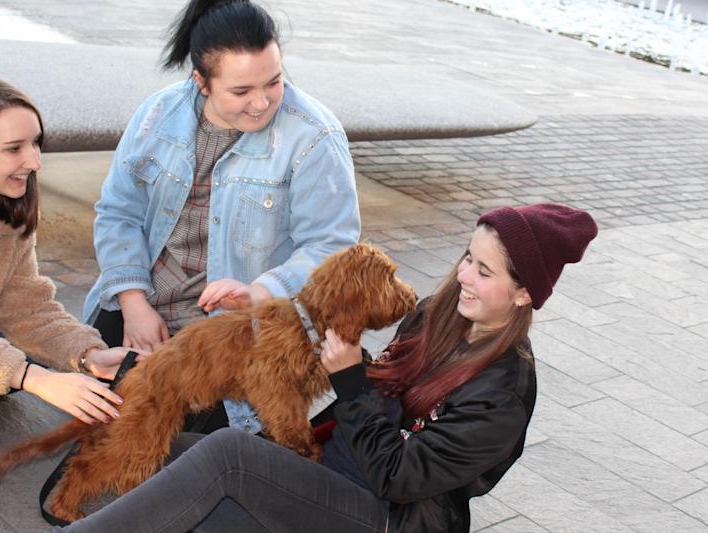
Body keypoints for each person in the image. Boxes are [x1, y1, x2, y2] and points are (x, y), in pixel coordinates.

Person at [60, 203, 598, 532]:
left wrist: (350, 377)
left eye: (484, 271)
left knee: (226, 458)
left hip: (383, 514)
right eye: (466, 257)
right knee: (174, 458)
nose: (462, 276)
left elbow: (399, 476)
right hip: (331, 469)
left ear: (525, 293)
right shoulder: (438, 315)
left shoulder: (503, 391)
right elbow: (380, 390)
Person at [83, 0, 360, 434]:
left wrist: (261, 292)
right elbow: (118, 211)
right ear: (202, 81)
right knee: (99, 423)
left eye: (274, 81)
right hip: (146, 305)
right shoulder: (159, 114)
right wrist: (134, 304)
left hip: (233, 331)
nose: (262, 102)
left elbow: (332, 247)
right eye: (241, 91)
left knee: (177, 461)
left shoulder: (314, 136)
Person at [0, 77, 143, 472]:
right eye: (14, 148)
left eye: (36, 143)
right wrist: (30, 376)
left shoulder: (8, 197)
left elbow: (24, 305)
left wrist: (89, 356)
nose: (34, 161)